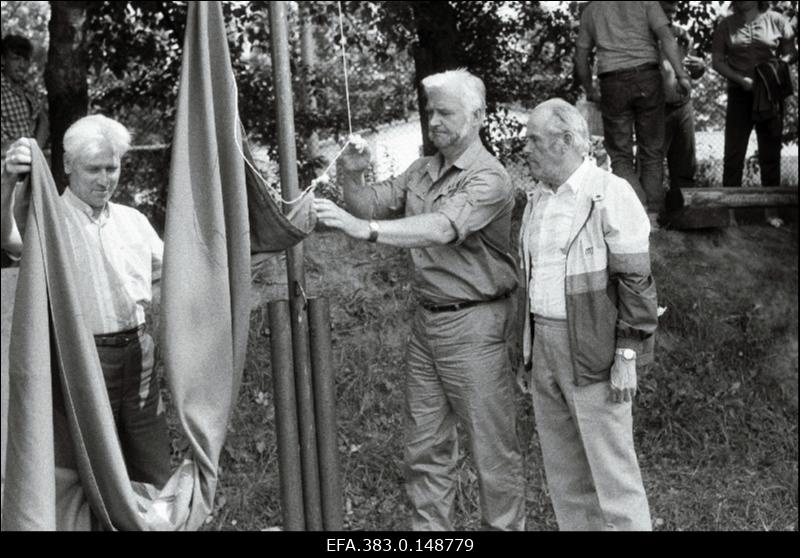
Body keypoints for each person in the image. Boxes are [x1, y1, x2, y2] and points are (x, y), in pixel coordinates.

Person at [313, 69, 524, 531]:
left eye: (446, 112)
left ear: (479, 116)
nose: (434, 121)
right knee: (424, 450)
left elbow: (443, 227)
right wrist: (352, 175)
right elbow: (367, 204)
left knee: (492, 453)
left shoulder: (490, 178)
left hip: (476, 325)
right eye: (430, 112)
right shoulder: (421, 170)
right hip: (427, 324)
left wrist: (365, 232)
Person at [1, 115, 172, 490]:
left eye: (112, 167)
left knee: (154, 465)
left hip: (140, 354)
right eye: (93, 168)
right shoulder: (48, 221)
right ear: (67, 166)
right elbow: (7, 236)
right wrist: (7, 182)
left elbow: (182, 271)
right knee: (96, 471)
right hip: (84, 358)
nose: (105, 179)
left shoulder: (134, 221)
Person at [517, 98, 658, 531]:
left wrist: (627, 356)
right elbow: (532, 281)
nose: (527, 149)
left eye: (535, 141)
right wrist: (529, 353)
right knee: (565, 476)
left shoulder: (610, 193)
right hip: (545, 346)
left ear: (565, 141)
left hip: (594, 349)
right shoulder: (537, 200)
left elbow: (637, 282)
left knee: (614, 477)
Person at [575, 1, 691, 222]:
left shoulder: (592, 10)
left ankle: (636, 217)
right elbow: (666, 37)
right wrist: (681, 75)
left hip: (612, 82)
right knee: (652, 153)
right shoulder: (646, 2)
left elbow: (581, 57)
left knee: (620, 156)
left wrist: (590, 90)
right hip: (647, 77)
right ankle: (654, 216)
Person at [712, 1, 797, 191]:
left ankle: (772, 212)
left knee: (770, 154)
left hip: (769, 94)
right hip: (739, 94)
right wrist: (741, 80)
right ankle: (731, 212)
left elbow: (791, 53)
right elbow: (717, 61)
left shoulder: (777, 20)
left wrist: (774, 70)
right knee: (733, 155)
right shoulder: (725, 25)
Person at [659, 1, 705, 209]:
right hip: (656, 109)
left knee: (685, 167)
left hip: (683, 106)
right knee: (651, 167)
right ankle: (651, 216)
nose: (669, 16)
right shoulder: (641, 37)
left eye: (672, 12)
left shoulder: (683, 36)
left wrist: (700, 67)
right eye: (664, 11)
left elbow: (691, 70)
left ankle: (684, 214)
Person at [1, 34, 49, 156]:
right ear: (3, 60)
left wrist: (35, 151)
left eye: (25, 59)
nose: (22, 65)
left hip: (28, 160)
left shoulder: (29, 90)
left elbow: (43, 120)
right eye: (16, 59)